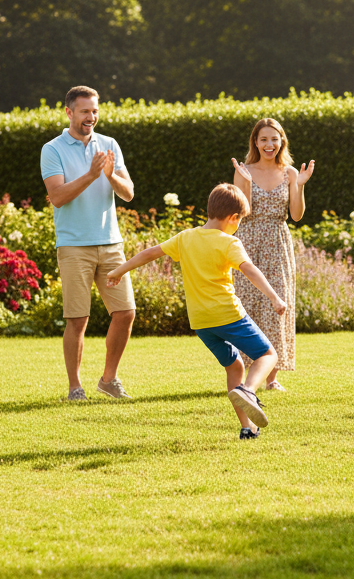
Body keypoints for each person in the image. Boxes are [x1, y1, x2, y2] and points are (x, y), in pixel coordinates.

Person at [106, 184, 286, 439]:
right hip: (228, 315)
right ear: (233, 218)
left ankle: (248, 428)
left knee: (234, 366)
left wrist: (119, 270)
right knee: (268, 355)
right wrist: (274, 297)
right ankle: (249, 390)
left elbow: (150, 253)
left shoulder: (185, 237)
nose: (239, 226)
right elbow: (250, 270)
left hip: (201, 322)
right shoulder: (229, 242)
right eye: (240, 221)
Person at [40, 85, 136, 401]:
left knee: (125, 312)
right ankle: (75, 387)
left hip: (110, 243)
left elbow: (128, 192)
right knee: (78, 319)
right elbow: (57, 197)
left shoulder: (109, 145)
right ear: (69, 112)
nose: (90, 117)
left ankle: (109, 380)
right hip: (73, 246)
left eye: (94, 111)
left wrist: (109, 174)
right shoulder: (52, 149)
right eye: (84, 111)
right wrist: (91, 176)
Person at [230, 117, 314, 392]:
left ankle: (272, 378)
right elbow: (244, 214)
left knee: (276, 304)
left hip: (278, 244)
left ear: (282, 142)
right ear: (255, 142)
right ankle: (244, 375)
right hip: (249, 241)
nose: (269, 144)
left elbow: (296, 215)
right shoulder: (244, 171)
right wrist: (244, 183)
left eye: (274, 139)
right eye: (264, 139)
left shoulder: (290, 173)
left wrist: (299, 185)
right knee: (248, 304)